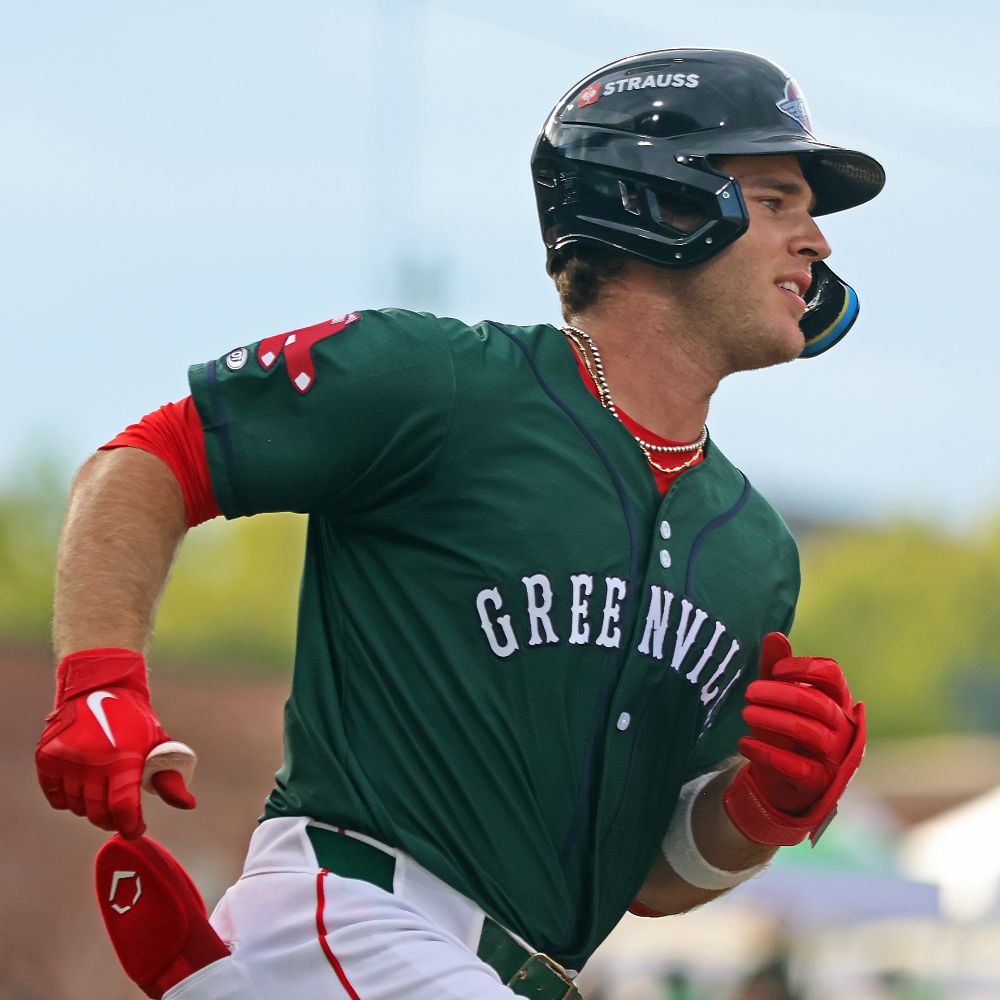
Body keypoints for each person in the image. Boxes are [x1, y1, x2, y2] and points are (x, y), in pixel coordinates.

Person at [36, 47, 879, 1000]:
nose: (818, 241)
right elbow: (153, 456)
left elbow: (649, 879)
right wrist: (98, 678)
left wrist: (760, 810)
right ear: (662, 201)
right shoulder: (441, 383)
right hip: (354, 917)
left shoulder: (757, 552)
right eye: (776, 200)